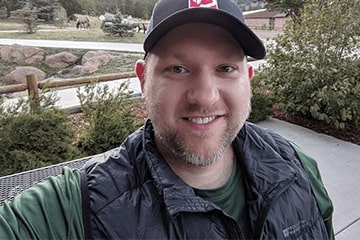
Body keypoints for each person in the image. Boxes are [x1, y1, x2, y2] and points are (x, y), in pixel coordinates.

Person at [0, 0, 334, 239]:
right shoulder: (81, 207)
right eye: (178, 69)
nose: (205, 96)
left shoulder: (298, 169)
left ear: (248, 78)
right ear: (143, 80)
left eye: (225, 68)